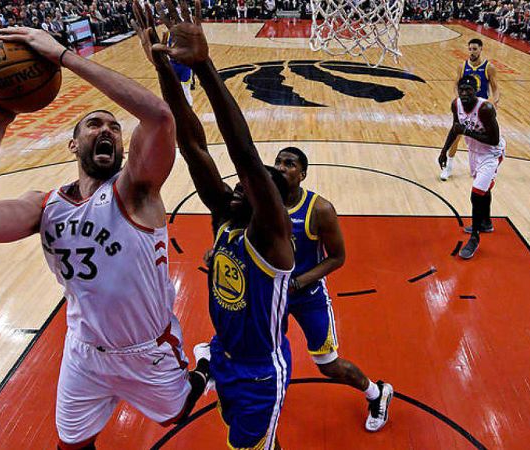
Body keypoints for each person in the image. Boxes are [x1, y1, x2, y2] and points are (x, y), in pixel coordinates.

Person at [0, 27, 210, 450]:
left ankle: (204, 368)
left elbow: (160, 118)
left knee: (176, 413)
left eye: (114, 127)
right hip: (83, 353)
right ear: (73, 144)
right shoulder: (44, 206)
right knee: (71, 445)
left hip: (146, 350)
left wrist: (64, 57)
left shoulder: (135, 190)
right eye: (94, 124)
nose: (106, 130)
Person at [134, 2, 293, 448]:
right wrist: (165, 70)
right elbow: (192, 145)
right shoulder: (227, 216)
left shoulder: (271, 237)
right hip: (224, 353)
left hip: (260, 372)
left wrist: (205, 68)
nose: (237, 187)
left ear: (270, 200)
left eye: (251, 185)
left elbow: (244, 155)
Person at [271, 146, 393, 432]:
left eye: (289, 164)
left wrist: (299, 282)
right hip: (274, 296)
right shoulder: (264, 202)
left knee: (327, 364)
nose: (281, 168)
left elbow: (337, 258)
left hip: (308, 297)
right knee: (267, 352)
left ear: (303, 174)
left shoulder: (320, 209)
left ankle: (377, 392)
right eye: (278, 162)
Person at [439, 76, 505, 259]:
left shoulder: (485, 109)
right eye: (461, 90)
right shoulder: (456, 105)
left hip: (491, 154)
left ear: (476, 90)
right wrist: (444, 151)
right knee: (483, 189)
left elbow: (494, 140)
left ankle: (475, 238)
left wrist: (467, 131)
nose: (464, 93)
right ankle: (486, 223)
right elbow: (455, 128)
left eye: (468, 90)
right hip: (474, 151)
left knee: (476, 193)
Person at [441, 38, 500, 181]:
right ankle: (448, 167)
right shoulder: (462, 66)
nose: (472, 52)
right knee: (456, 136)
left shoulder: (489, 67)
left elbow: (495, 87)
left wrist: (494, 102)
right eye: (470, 49)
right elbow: (456, 84)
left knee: (485, 139)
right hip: (467, 107)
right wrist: (459, 99)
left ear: (481, 49)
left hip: (481, 109)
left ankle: (485, 166)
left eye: (475, 49)